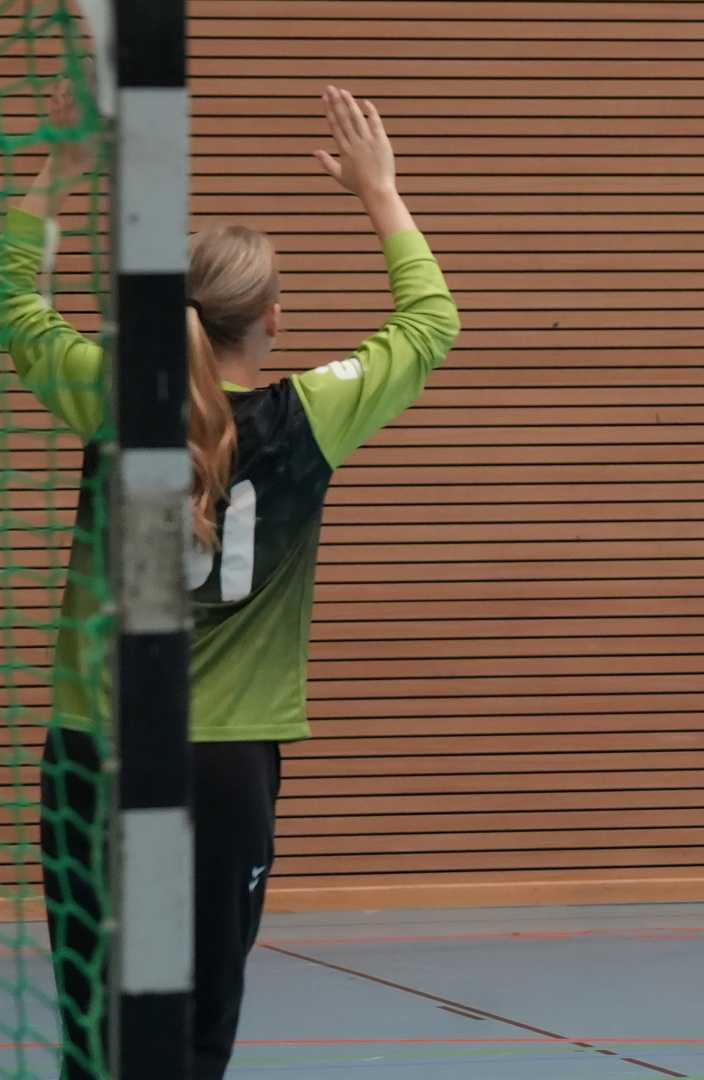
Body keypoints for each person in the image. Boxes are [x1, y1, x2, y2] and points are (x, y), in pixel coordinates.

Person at [18, 85, 460, 1078]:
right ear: (270, 318)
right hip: (223, 765)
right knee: (199, 1022)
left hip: (98, 751)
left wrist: (60, 169)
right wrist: (380, 193)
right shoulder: (312, 415)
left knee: (97, 1023)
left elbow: (14, 302)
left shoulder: (109, 395)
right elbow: (431, 323)